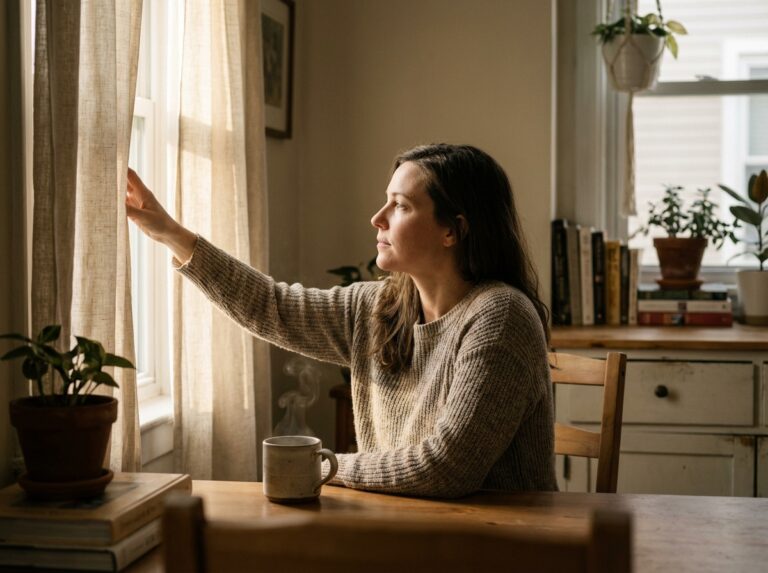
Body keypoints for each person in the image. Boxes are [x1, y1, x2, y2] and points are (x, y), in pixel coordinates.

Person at [126, 143, 557, 498]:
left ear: (453, 231)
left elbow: (447, 467)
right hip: (406, 535)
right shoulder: (377, 307)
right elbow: (270, 306)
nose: (377, 218)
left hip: (500, 548)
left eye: (400, 206)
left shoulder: (501, 316)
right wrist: (170, 233)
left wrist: (320, 467)